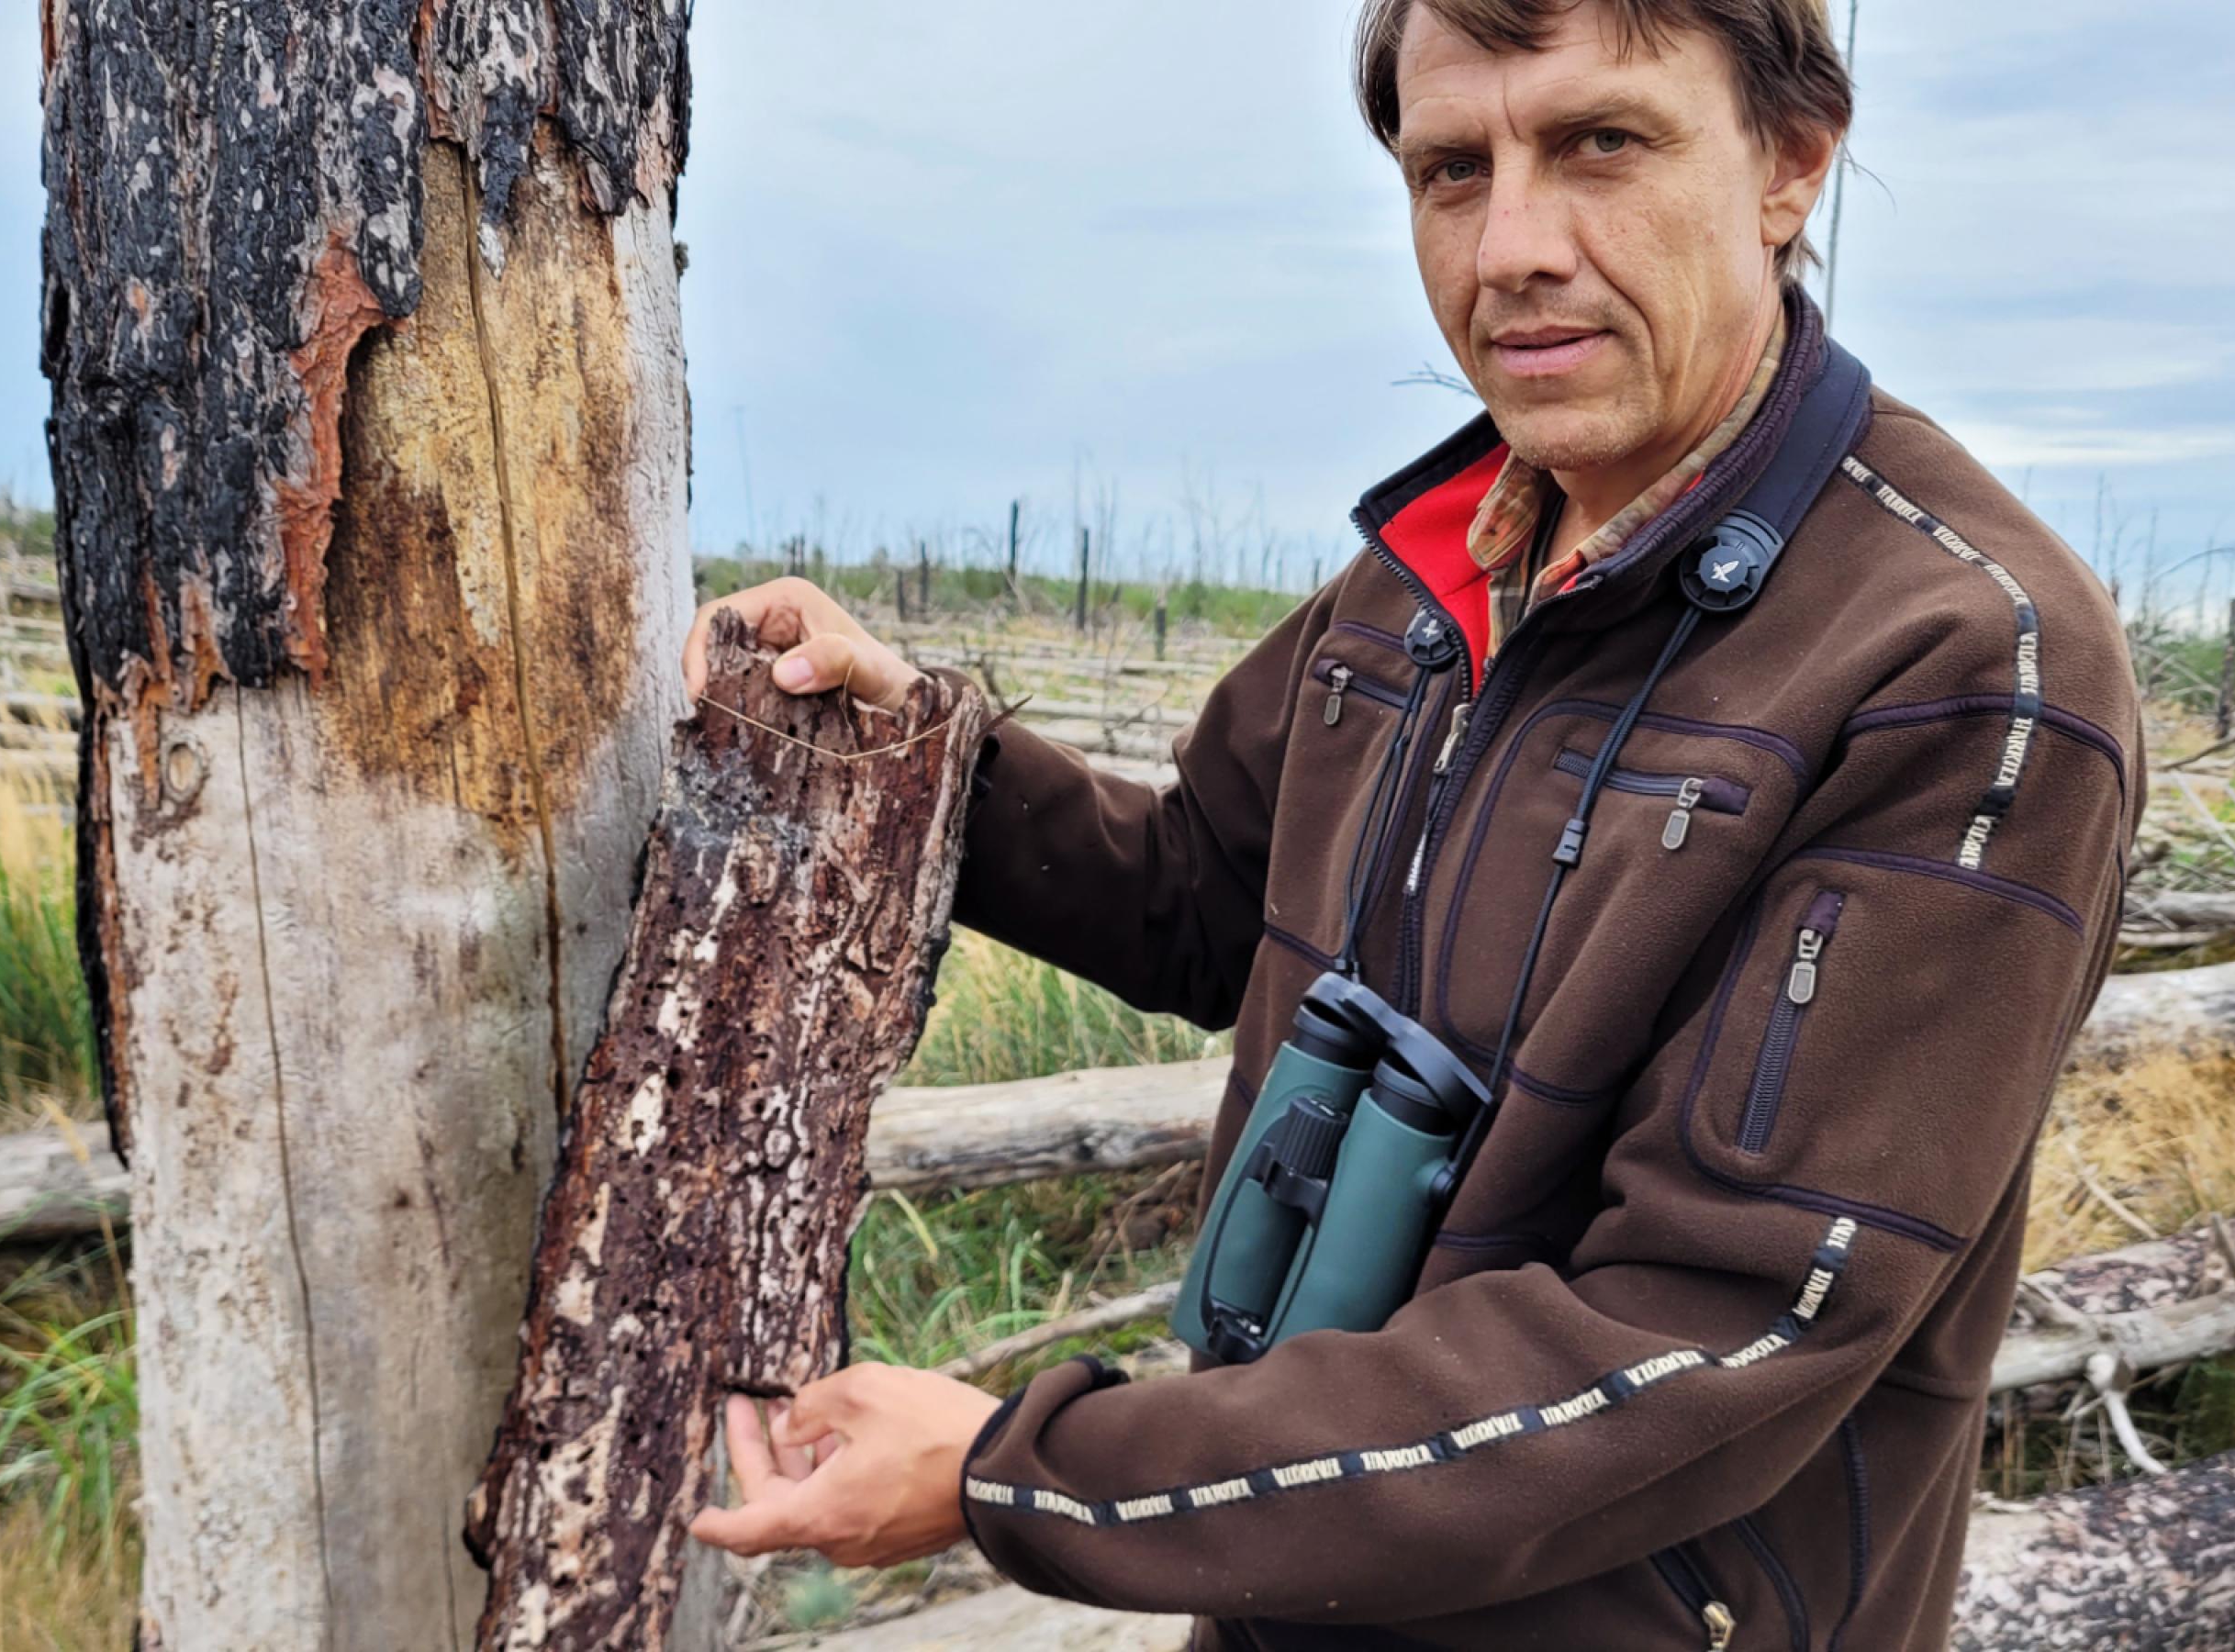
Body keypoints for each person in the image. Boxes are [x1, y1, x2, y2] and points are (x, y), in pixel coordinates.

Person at [681, 0, 2142, 1645]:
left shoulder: (1958, 659)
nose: (1511, 245)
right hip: (1308, 1600)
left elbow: (1710, 1332)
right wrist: (920, 752)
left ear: (1791, 165)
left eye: (1601, 142)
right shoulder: (1437, 570)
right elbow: (1199, 901)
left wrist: (1028, 1473)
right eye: (1452, 167)